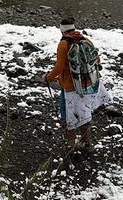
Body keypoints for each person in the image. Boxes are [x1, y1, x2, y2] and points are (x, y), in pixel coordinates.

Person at [43, 17, 107, 154]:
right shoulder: (84, 39)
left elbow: (59, 67)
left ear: (61, 30)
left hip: (70, 86)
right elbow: (97, 59)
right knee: (84, 112)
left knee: (66, 114)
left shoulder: (64, 43)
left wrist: (48, 77)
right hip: (87, 84)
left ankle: (71, 145)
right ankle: (86, 142)